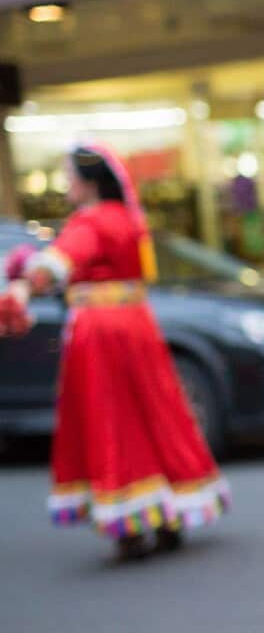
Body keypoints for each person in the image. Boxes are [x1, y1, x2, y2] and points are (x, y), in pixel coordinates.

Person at [0, 143, 229, 561]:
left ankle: (131, 521)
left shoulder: (89, 222)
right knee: (157, 412)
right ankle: (170, 509)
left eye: (70, 175)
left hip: (100, 333)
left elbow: (60, 263)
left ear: (89, 182)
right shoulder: (127, 218)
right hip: (137, 324)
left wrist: (23, 282)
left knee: (112, 419)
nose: (66, 182)